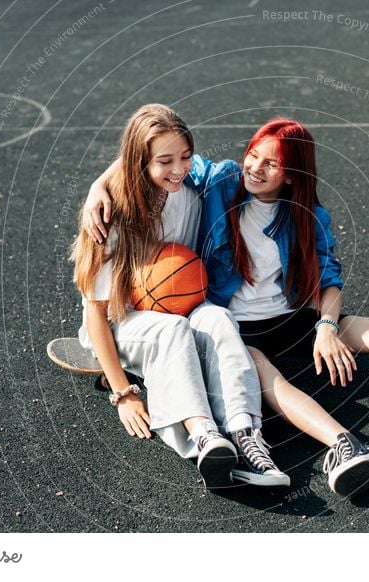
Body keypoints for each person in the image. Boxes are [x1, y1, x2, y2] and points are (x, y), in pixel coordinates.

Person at [83, 117, 369, 498]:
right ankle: (343, 447)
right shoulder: (218, 182)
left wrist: (328, 326)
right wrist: (97, 188)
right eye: (253, 154)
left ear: (292, 174)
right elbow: (149, 153)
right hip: (240, 327)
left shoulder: (306, 215)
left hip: (294, 319)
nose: (255, 167)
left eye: (270, 162)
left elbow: (329, 281)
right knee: (265, 376)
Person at [71, 104, 289, 490]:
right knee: (172, 330)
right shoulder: (109, 215)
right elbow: (95, 312)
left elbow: (151, 154)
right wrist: (123, 393)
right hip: (119, 320)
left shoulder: (189, 196)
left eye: (185, 157)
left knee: (219, 318)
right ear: (139, 162)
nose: (179, 168)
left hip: (174, 305)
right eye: (165, 161)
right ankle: (204, 436)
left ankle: (245, 434)